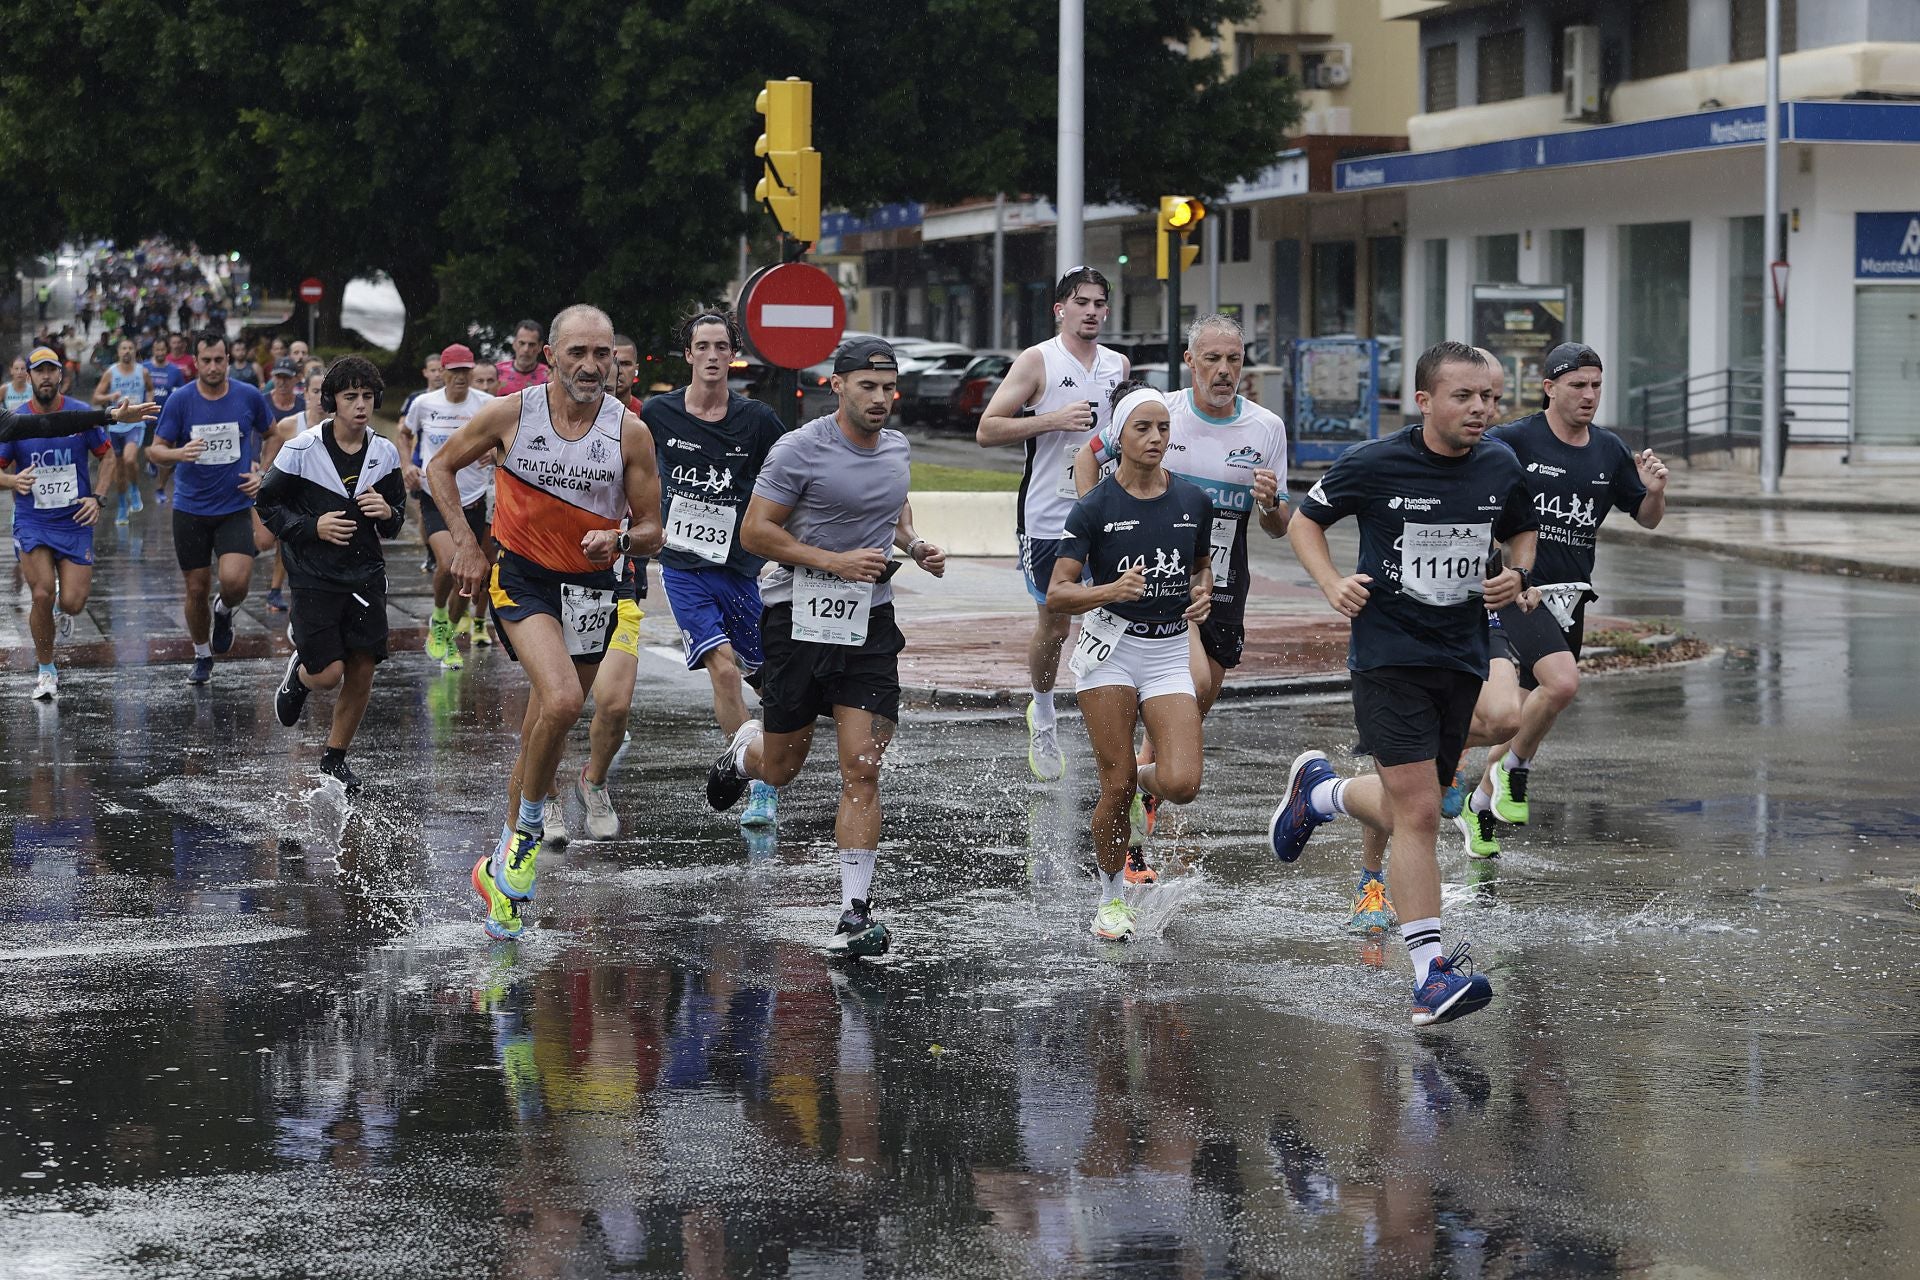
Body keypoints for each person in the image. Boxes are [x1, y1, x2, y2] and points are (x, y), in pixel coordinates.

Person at [1270, 342, 1538, 1028]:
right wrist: (1331, 583)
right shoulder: (1375, 462)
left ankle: (1322, 795)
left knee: (1410, 807)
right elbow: (1306, 521)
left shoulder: (1500, 463)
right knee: (1420, 811)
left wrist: (1517, 573)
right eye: (1464, 396)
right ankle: (1429, 976)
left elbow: (1520, 529)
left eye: (1491, 397)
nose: (1480, 409)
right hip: (1388, 655)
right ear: (1423, 400)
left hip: (1462, 654)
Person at [705, 337, 947, 957]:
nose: (881, 399)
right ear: (835, 385)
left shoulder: (896, 447)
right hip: (796, 614)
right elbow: (756, 531)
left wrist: (914, 545)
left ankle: (854, 910)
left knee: (862, 765)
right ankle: (744, 749)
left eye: (888, 388)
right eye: (867, 387)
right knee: (782, 767)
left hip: (869, 623)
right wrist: (833, 561)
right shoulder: (799, 449)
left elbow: (893, 508)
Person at [431, 304, 663, 942]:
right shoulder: (514, 412)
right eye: (578, 354)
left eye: (603, 355)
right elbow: (441, 467)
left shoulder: (630, 432)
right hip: (524, 576)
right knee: (561, 702)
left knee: (543, 719)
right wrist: (466, 545)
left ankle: (504, 870)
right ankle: (530, 825)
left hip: (593, 587)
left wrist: (618, 540)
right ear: (551, 356)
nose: (591, 367)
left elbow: (652, 531)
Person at [1073, 314, 1287, 862]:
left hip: (1218, 576)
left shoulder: (1265, 428)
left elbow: (1277, 526)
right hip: (1151, 579)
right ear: (1189, 361)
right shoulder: (1156, 415)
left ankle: (1146, 788)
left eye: (1233, 360)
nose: (1223, 371)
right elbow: (1087, 456)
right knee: (1185, 686)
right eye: (1211, 359)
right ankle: (1133, 815)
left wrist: (1269, 505)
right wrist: (1097, 529)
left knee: (1200, 700)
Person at [1459, 343, 1669, 858]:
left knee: (1533, 709)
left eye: (1597, 385)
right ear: (1549, 387)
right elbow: (1468, 487)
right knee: (1555, 688)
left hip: (1567, 600)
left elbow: (1646, 517)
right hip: (1512, 591)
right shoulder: (1512, 440)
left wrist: (1656, 489)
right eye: (1578, 385)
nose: (1590, 395)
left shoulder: (1608, 451)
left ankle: (1481, 803)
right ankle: (1494, 770)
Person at [1048, 383, 1212, 941]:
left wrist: (1203, 592)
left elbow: (1200, 566)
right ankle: (1112, 897)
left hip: (1167, 647)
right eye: (1142, 428)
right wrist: (1109, 590)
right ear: (1119, 436)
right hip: (1110, 649)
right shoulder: (1095, 506)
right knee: (1114, 786)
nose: (1155, 438)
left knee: (1183, 782)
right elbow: (1058, 594)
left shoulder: (1192, 500)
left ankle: (1134, 775)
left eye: (1163, 428)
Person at [626, 311, 786, 834]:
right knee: (721, 667)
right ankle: (756, 778)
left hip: (740, 569)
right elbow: (629, 469)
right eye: (703, 346)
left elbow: (792, 472)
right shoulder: (659, 413)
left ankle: (756, 760)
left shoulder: (758, 420)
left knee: (770, 684)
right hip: (682, 565)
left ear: (732, 354)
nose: (713, 356)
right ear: (689, 355)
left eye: (722, 346)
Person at [976, 267, 1129, 782]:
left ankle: (1114, 735)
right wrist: (1053, 419)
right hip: (1046, 515)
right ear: (1060, 309)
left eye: (1099, 303)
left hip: (1104, 510)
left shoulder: (1117, 365)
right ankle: (1042, 709)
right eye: (1080, 302)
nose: (1091, 311)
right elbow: (987, 429)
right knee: (1056, 623)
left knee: (1114, 618)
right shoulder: (1038, 360)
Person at [259, 356, 407, 792]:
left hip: (365, 575)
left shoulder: (384, 451)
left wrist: (388, 513)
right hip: (313, 574)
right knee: (328, 675)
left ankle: (335, 757)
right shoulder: (302, 449)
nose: (360, 405)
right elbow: (267, 504)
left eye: (366, 396)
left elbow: (395, 518)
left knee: (362, 669)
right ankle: (299, 674)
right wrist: (312, 527)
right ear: (332, 402)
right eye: (350, 397)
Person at [570, 332, 667, 840]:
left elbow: (655, 521)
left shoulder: (644, 428)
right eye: (603, 361)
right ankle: (534, 802)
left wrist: (623, 540)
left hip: (621, 583)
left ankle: (594, 781)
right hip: (555, 582)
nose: (610, 371)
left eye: (619, 362)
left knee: (613, 703)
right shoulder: (553, 419)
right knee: (559, 702)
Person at [146, 330, 276, 684]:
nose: (214, 367)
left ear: (228, 361)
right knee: (196, 588)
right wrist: (178, 453)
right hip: (190, 509)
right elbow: (155, 450)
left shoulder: (248, 396)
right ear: (196, 363)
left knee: (235, 582)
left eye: (220, 360)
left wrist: (263, 471)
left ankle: (225, 610)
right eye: (207, 361)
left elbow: (273, 434)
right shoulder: (181, 400)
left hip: (234, 504)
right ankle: (202, 654)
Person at [0, 349, 118, 700]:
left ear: (61, 376)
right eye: (40, 372)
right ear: (30, 377)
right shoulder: (15, 421)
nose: (46, 377)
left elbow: (108, 457)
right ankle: (46, 671)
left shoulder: (81, 414)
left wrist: (97, 497)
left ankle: (61, 611)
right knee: (40, 593)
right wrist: (12, 482)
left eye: (52, 371)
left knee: (74, 602)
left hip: (74, 520)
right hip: (33, 520)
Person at [401, 343, 494, 670]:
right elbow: (404, 433)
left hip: (473, 498)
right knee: (453, 563)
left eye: (466, 371)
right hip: (434, 496)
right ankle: (440, 616)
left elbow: (507, 439)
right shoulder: (424, 404)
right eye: (454, 371)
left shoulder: (487, 404)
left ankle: (447, 635)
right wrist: (407, 466)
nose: (461, 378)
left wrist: (495, 453)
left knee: (469, 578)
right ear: (442, 373)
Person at [91, 337, 153, 525]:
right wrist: (111, 396)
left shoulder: (143, 372)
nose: (127, 351)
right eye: (123, 348)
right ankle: (121, 507)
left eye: (130, 348)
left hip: (135, 424)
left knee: (129, 459)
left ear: (135, 351)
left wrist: (146, 405)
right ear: (118, 352)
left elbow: (150, 390)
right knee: (118, 470)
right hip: (116, 425)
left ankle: (134, 489)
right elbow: (96, 398)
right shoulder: (111, 372)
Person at [495, 319, 549, 395]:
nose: (526, 349)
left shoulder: (550, 377)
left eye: (531, 344)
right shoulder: (496, 373)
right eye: (522, 343)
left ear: (540, 346)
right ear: (514, 343)